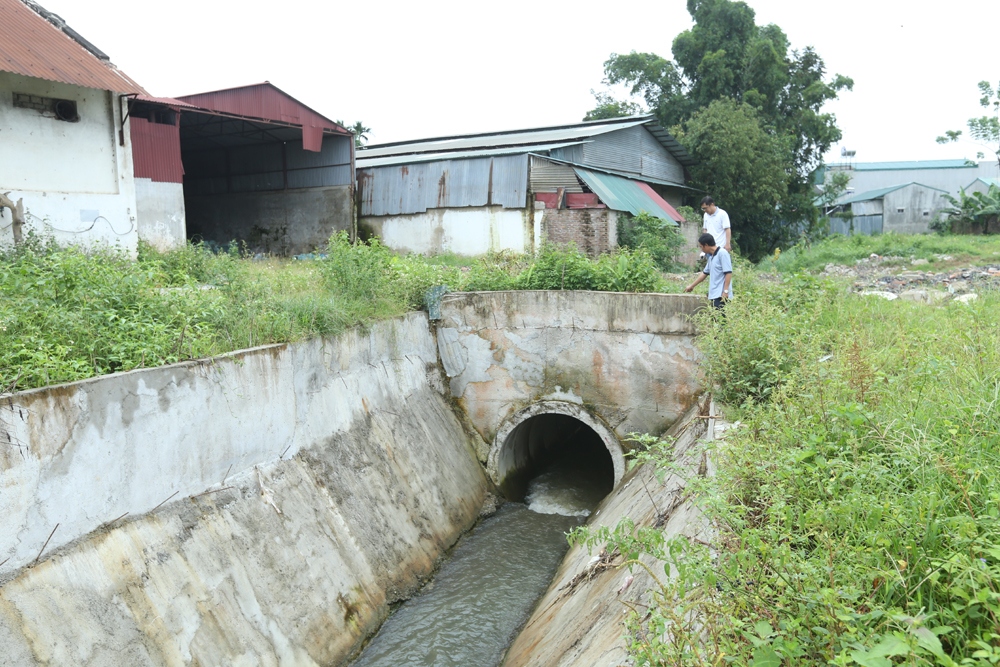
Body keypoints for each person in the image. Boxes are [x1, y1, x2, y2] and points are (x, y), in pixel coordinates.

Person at [684, 233, 733, 310]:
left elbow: (728, 273)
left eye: (701, 247)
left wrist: (726, 291)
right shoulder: (711, 257)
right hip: (714, 295)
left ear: (706, 245)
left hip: (721, 295)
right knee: (715, 319)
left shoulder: (722, 254)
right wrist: (692, 286)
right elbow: (704, 274)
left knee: (720, 319)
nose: (701, 249)